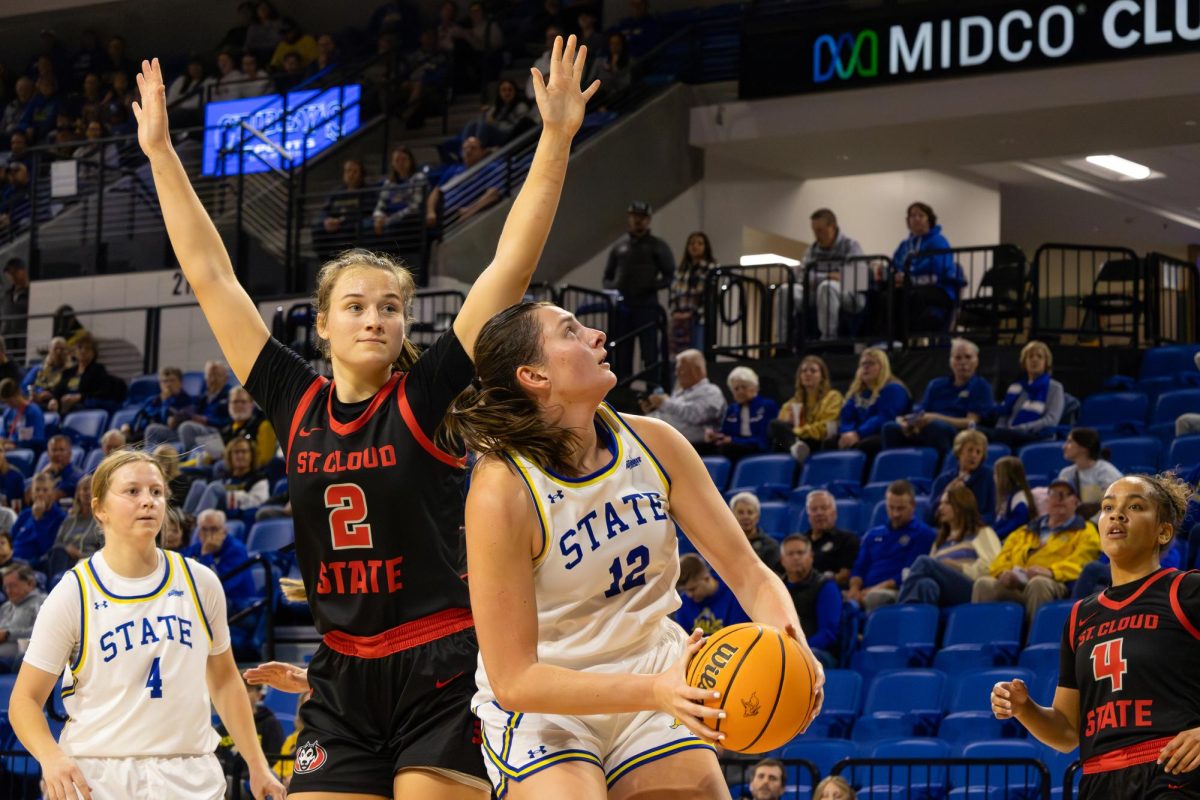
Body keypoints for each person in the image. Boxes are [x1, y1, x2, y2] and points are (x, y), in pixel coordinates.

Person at [133, 40, 597, 798]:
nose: (374, 319)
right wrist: (160, 151)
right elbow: (210, 273)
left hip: (441, 668)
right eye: (354, 307)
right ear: (321, 324)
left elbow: (508, 268)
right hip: (342, 672)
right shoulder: (295, 398)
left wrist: (554, 139)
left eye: (390, 307)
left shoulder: (427, 394)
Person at [440, 301, 822, 798]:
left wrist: (794, 646)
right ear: (533, 375)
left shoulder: (657, 443)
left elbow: (749, 572)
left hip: (654, 669)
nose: (597, 335)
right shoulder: (502, 487)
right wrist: (658, 691)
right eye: (571, 332)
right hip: (550, 701)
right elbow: (515, 679)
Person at [9, 451, 285, 800]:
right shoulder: (73, 593)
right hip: (100, 774)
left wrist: (258, 765)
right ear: (99, 509)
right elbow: (24, 700)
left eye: (156, 492)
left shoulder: (201, 582)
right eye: (133, 492)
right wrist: (50, 757)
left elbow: (225, 679)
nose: (148, 502)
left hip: (191, 773)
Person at [991, 473, 1199, 800]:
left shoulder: (1187, 591)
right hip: (1099, 781)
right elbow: (1067, 731)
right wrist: (1025, 709)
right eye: (1107, 507)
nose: (1116, 514)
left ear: (1163, 531)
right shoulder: (1080, 617)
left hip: (1174, 773)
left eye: (1135, 506)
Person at [972, 478, 1099, 620]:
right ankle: (978, 638)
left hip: (1054, 583)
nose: (1059, 498)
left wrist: (1050, 572)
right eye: (1054, 494)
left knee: (1038, 583)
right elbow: (1001, 558)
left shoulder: (1086, 531)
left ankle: (1034, 640)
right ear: (1047, 500)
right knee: (983, 584)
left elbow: (1082, 563)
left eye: (1065, 494)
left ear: (1076, 502)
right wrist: (1004, 572)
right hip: (1015, 584)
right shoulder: (1024, 531)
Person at [881, 338, 994, 455]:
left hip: (957, 432)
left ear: (977, 361)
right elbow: (922, 412)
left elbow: (971, 421)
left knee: (937, 428)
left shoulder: (981, 386)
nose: (963, 362)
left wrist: (935, 418)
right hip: (927, 427)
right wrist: (908, 422)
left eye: (968, 357)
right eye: (958, 358)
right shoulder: (936, 385)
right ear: (951, 361)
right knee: (890, 428)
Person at [603, 200, 674, 379]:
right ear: (629, 218)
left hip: (647, 306)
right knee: (621, 348)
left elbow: (670, 275)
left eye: (642, 217)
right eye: (635, 216)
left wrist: (649, 286)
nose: (638, 221)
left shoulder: (658, 246)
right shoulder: (619, 247)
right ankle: (622, 385)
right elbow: (607, 278)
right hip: (622, 307)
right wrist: (615, 289)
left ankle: (653, 387)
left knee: (649, 348)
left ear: (648, 220)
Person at [898, 484, 1001, 608]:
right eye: (941, 503)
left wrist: (957, 567)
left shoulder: (982, 532)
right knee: (926, 585)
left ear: (961, 506)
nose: (940, 508)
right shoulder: (940, 541)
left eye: (946, 503)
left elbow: (993, 567)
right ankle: (923, 624)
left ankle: (898, 609)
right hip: (945, 592)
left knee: (924, 562)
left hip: (971, 588)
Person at [847, 480, 936, 612]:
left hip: (896, 591)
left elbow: (910, 573)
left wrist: (873, 589)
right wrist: (854, 589)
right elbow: (859, 567)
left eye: (900, 508)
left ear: (913, 506)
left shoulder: (923, 534)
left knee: (876, 597)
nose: (895, 514)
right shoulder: (872, 534)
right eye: (891, 507)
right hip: (864, 591)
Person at [982, 340, 1065, 449]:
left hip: (1037, 435)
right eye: (1030, 357)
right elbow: (1005, 414)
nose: (1034, 359)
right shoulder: (1016, 387)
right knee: (977, 432)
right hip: (1010, 433)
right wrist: (1000, 429)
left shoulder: (1055, 388)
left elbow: (1051, 420)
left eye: (1039, 357)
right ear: (1024, 362)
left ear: (1046, 363)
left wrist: (1022, 428)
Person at [892, 201, 957, 335]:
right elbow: (895, 263)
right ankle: (889, 339)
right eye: (912, 216)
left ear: (929, 220)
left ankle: (908, 338)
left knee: (909, 296)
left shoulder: (938, 241)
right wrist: (895, 275)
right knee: (887, 296)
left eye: (921, 215)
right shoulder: (905, 245)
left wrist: (908, 275)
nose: (916, 219)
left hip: (939, 288)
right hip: (911, 286)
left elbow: (936, 266)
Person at [800, 208, 865, 341]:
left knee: (826, 287)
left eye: (820, 230)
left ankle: (828, 340)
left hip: (851, 297)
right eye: (814, 230)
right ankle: (783, 344)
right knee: (785, 291)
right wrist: (831, 276)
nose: (816, 235)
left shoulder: (851, 246)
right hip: (815, 294)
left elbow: (858, 279)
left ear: (833, 227)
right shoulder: (811, 251)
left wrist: (820, 279)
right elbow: (802, 277)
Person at [640, 348, 725, 446]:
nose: (677, 374)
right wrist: (653, 409)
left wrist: (665, 403)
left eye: (681, 370)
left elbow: (697, 416)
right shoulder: (679, 392)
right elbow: (673, 415)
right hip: (660, 441)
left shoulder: (712, 392)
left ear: (697, 370)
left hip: (692, 447)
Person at [838, 348, 911, 461]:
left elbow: (884, 418)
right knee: (830, 442)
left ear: (883, 367)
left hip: (886, 435)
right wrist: (847, 433)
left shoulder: (894, 389)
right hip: (858, 434)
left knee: (866, 445)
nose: (865, 367)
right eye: (863, 364)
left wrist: (858, 434)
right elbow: (847, 417)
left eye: (871, 363)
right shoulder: (857, 392)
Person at [780, 534, 840, 668]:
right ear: (782, 560)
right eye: (790, 553)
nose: (796, 557)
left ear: (811, 557)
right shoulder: (778, 587)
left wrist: (799, 648)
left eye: (800, 553)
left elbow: (828, 634)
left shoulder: (825, 586)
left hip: (819, 653)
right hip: (784, 651)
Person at [771, 355, 843, 464]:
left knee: (785, 442)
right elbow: (780, 425)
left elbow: (826, 427)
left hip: (817, 441)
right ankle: (794, 448)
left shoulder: (833, 397)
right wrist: (787, 421)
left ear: (822, 377)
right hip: (795, 441)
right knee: (775, 429)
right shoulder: (794, 401)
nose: (807, 374)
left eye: (813, 371)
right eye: (804, 371)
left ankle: (795, 449)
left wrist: (799, 431)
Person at [702, 366, 779, 461]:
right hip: (735, 447)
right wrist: (716, 436)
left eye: (744, 387)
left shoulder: (767, 406)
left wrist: (733, 440)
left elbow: (763, 440)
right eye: (736, 389)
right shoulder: (731, 410)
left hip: (758, 448)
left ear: (754, 387)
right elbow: (725, 434)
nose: (740, 391)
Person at [185, 509, 257, 609]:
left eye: (214, 529)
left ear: (224, 531)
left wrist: (206, 555)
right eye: (204, 529)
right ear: (198, 533)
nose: (209, 534)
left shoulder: (236, 551)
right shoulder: (196, 549)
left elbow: (219, 588)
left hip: (239, 607)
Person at [216, 679, 286, 778]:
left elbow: (277, 761)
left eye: (247, 690)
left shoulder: (270, 724)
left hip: (260, 781)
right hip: (226, 783)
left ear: (259, 695)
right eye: (238, 690)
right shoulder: (222, 728)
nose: (241, 694)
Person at [312, 159, 375, 260]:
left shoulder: (368, 191)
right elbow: (324, 211)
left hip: (352, 225)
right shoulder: (336, 193)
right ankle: (324, 261)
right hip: (335, 226)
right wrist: (326, 221)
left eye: (354, 171)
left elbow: (368, 212)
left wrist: (343, 220)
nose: (351, 174)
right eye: (348, 171)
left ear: (361, 174)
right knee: (318, 228)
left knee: (349, 230)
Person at [930, 429, 996, 524]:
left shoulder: (989, 477)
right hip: (947, 530)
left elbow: (993, 514)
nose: (974, 455)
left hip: (977, 529)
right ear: (959, 452)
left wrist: (966, 523)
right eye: (970, 450)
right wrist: (946, 493)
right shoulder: (943, 479)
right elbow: (930, 516)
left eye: (978, 452)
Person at [166, 360, 232, 452]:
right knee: (153, 429)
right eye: (210, 375)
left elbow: (230, 422)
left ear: (226, 378)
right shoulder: (203, 396)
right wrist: (177, 418)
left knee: (186, 427)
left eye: (217, 375)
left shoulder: (231, 396)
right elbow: (189, 410)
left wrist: (206, 420)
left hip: (216, 431)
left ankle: (185, 458)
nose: (212, 379)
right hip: (196, 428)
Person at [1059, 427, 1124, 518]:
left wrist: (1090, 524)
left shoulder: (1106, 472)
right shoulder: (1065, 473)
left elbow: (1116, 506)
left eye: (1070, 442)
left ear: (1083, 448)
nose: (1064, 446)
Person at [50, 333, 121, 415]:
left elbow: (102, 393)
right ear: (74, 352)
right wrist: (54, 400)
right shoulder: (68, 372)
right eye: (79, 347)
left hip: (85, 408)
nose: (83, 351)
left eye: (87, 349)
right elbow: (58, 390)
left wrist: (80, 397)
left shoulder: (98, 370)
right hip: (64, 407)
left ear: (94, 353)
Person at [196, 437, 269, 517]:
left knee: (215, 487)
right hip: (218, 508)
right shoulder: (225, 476)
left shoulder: (258, 478)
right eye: (236, 452)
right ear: (230, 456)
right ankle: (188, 521)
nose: (240, 455)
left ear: (252, 455)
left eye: (244, 452)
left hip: (235, 511)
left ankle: (197, 521)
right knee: (199, 485)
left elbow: (259, 502)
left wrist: (233, 495)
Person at [669, 231, 716, 355]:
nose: (695, 246)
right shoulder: (681, 270)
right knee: (677, 357)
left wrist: (692, 313)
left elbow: (710, 297)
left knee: (696, 354)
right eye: (691, 243)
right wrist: (674, 312)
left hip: (699, 320)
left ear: (706, 247)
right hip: (679, 320)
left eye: (699, 243)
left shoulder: (711, 269)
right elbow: (673, 293)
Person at [45, 476, 103, 576]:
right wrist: (67, 549)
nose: (88, 492)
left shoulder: (102, 521)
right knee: (57, 552)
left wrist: (80, 555)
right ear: (78, 493)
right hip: (64, 561)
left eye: (91, 489)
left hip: (89, 564)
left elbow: (105, 553)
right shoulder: (69, 520)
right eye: (84, 489)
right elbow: (57, 544)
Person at [802, 489, 860, 588]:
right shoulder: (800, 542)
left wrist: (817, 585)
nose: (819, 513)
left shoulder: (847, 539)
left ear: (834, 513)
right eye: (814, 509)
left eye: (824, 508)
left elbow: (845, 575)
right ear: (808, 515)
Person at [371, 146, 429, 239]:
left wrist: (390, 219)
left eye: (404, 160)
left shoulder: (419, 178)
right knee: (366, 225)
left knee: (395, 226)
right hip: (387, 218)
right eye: (397, 160)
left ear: (411, 161)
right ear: (393, 163)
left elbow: (415, 207)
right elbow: (380, 206)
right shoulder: (389, 183)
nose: (400, 163)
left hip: (406, 219)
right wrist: (378, 218)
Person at [126, 366, 192, 443]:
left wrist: (166, 401)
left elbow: (164, 420)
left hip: (169, 434)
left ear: (180, 383)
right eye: (165, 381)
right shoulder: (153, 400)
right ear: (160, 384)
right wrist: (128, 426)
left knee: (152, 430)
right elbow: (140, 416)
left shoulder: (186, 400)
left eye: (172, 380)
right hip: (143, 434)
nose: (168, 384)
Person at [12, 472, 66, 564]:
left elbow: (47, 550)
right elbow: (10, 539)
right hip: (10, 560)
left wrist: (38, 520)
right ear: (32, 493)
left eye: (45, 490)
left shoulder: (60, 517)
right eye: (37, 490)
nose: (40, 494)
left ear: (53, 492)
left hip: (32, 566)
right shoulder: (25, 514)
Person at [0, 565, 45, 669]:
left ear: (30, 583)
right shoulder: (5, 607)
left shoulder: (42, 602)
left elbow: (43, 632)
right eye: (5, 587)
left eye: (13, 586)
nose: (8, 591)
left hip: (18, 659)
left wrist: (8, 634)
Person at [729, 492, 782, 573]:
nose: (745, 517)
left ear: (757, 517)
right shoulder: (724, 542)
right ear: (732, 515)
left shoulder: (771, 546)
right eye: (740, 512)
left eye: (750, 512)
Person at [993, 455, 1037, 540]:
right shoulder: (1008, 496)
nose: (994, 477)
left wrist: (994, 536)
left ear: (1004, 477)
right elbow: (1001, 523)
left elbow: (1017, 524)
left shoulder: (1019, 498)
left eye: (996, 474)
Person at [0, 377, 46, 452]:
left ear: (17, 394)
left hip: (28, 451)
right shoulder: (8, 412)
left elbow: (38, 438)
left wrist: (15, 444)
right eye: (6, 402)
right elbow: (3, 433)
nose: (9, 404)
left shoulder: (33, 412)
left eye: (10, 401)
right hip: (9, 450)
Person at [24, 336, 69, 409]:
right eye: (55, 349)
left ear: (66, 352)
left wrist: (52, 395)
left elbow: (70, 391)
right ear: (49, 350)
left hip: (56, 404)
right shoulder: (38, 369)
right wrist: (35, 394)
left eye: (62, 349)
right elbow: (24, 386)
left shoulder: (70, 371)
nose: (58, 352)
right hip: (34, 402)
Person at [41, 434, 82, 501]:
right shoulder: (47, 472)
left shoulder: (77, 476)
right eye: (54, 450)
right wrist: (43, 474)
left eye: (61, 450)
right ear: (48, 454)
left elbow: (48, 497)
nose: (57, 453)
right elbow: (27, 497)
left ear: (70, 453)